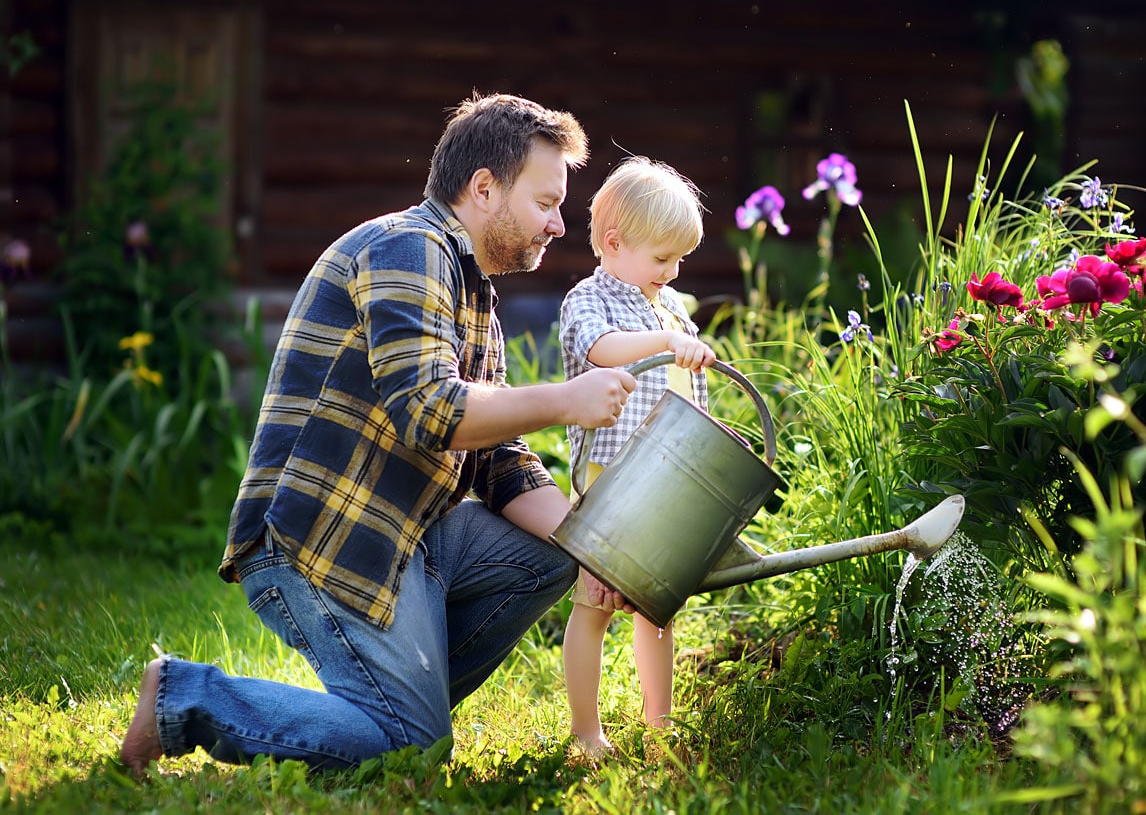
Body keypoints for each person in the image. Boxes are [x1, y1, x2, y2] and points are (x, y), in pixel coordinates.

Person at [120, 92, 639, 776]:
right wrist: (566, 401)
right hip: (324, 537)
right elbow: (430, 410)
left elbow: (499, 464)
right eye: (546, 202)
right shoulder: (406, 247)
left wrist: (600, 550)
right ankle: (185, 696)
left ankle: (384, 705)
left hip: (408, 536)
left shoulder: (474, 295)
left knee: (553, 553)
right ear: (485, 188)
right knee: (413, 749)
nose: (558, 223)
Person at [557, 156, 716, 756]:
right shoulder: (587, 301)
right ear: (615, 243)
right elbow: (601, 351)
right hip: (610, 482)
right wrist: (670, 342)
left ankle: (659, 723)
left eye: (679, 261)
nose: (671, 272)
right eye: (661, 259)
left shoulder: (668, 306)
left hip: (667, 482)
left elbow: (684, 390)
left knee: (657, 609)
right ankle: (586, 732)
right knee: (594, 607)